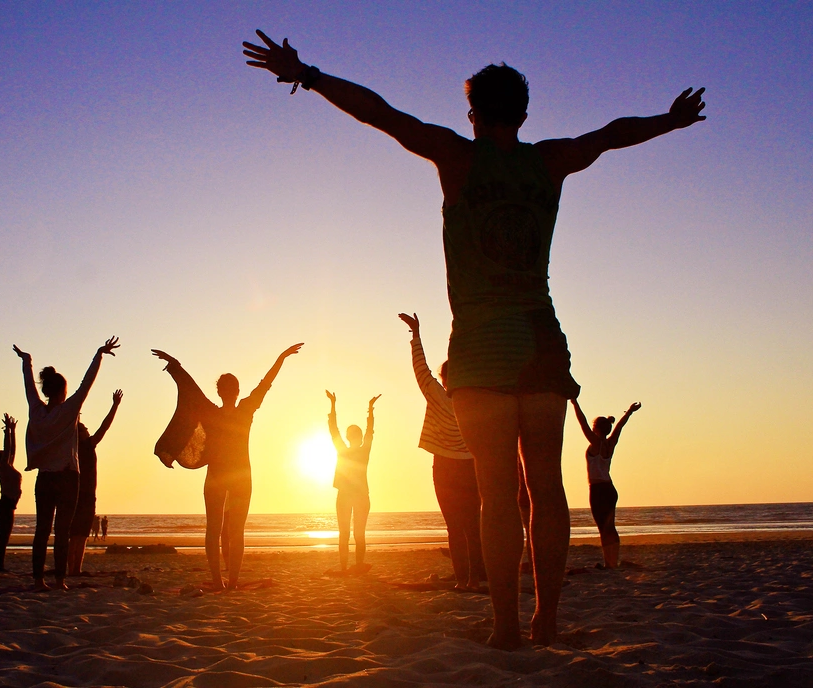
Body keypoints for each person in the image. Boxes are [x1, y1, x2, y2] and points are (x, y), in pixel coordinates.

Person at [243, 31, 705, 648]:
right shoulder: (550, 160)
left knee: (495, 496)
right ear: (523, 112)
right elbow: (612, 133)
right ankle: (546, 618)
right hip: (541, 341)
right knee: (545, 488)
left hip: (482, 349)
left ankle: (506, 626)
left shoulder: (456, 156)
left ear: (473, 114)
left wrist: (308, 74)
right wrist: (670, 123)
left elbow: (380, 113)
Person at [152, 343, 303, 590]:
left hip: (219, 475)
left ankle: (218, 581)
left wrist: (175, 365)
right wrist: (281, 358)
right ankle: (232, 581)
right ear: (236, 391)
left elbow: (190, 389)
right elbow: (266, 383)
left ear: (220, 392)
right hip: (241, 474)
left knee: (214, 529)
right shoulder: (246, 409)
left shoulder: (213, 412)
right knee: (235, 531)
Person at [14, 338, 119, 592]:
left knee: (42, 531)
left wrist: (27, 363)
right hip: (68, 478)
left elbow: (30, 388)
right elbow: (87, 384)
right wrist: (98, 355)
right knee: (61, 532)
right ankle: (59, 580)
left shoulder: (36, 411)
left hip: (45, 479)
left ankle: (39, 579)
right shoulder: (68, 410)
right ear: (61, 391)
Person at [398, 313, 486, 590]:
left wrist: (416, 335)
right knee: (473, 528)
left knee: (455, 528)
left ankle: (463, 580)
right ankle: (473, 578)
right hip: (471, 466)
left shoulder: (437, 394)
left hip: (446, 468)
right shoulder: (475, 400)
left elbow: (420, 369)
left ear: (444, 379)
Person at [572, 400, 641, 569]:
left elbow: (582, 424)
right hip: (609, 489)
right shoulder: (610, 444)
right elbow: (620, 426)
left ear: (596, 428)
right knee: (610, 527)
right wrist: (629, 412)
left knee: (603, 528)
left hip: (597, 490)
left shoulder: (595, 443)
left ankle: (609, 563)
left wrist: (574, 403)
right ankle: (613, 562)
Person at [68, 389, 123, 576]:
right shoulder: (80, 446)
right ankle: (72, 568)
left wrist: (115, 406)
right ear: (79, 433)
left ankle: (76, 568)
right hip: (79, 494)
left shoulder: (81, 447)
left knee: (81, 535)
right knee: (76, 535)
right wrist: (114, 405)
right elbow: (104, 427)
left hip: (87, 494)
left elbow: (103, 427)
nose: (87, 431)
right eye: (84, 429)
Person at [326, 391, 379, 574]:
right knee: (356, 534)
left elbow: (333, 429)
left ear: (349, 437)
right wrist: (370, 410)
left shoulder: (346, 450)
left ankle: (348, 566)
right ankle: (354, 566)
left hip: (353, 495)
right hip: (356, 495)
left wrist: (333, 405)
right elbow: (369, 431)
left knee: (348, 534)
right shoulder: (359, 450)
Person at [0, 413, 21, 572]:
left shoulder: (9, 467)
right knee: (3, 538)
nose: (8, 455)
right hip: (5, 505)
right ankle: (0, 566)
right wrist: (7, 432)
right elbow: (9, 448)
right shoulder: (4, 467)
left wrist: (13, 431)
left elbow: (13, 450)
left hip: (9, 505)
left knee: (5, 537)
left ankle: (0, 565)